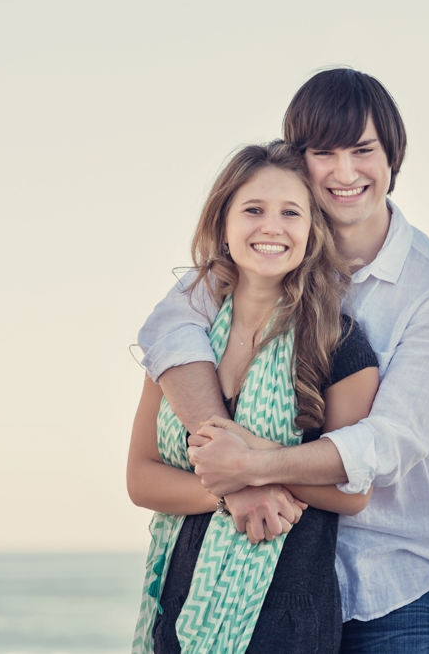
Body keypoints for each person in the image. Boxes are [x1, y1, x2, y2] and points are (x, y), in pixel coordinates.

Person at [138, 68, 429, 654]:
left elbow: (388, 443)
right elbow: (169, 329)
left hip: (388, 583)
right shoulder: (258, 266)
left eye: (363, 151)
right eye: (325, 153)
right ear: (302, 161)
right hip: (270, 579)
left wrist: (249, 464)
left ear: (392, 156)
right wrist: (228, 471)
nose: (346, 173)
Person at [127, 140, 380, 654]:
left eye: (291, 212)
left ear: (312, 232)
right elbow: (141, 476)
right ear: (224, 223)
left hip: (289, 622)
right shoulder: (183, 343)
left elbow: (353, 492)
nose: (272, 226)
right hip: (180, 617)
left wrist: (249, 463)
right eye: (253, 210)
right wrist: (231, 491)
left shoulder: (341, 343)